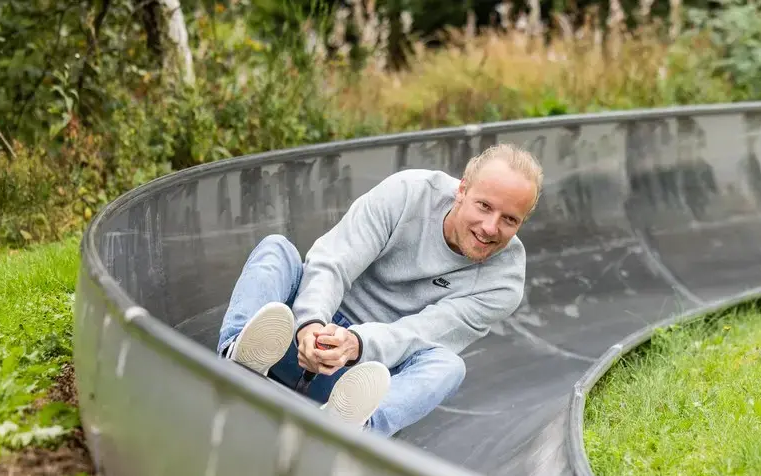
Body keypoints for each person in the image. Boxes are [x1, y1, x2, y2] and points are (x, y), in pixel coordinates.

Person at [215, 143, 543, 437]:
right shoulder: (408, 193)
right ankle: (237, 354)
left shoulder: (505, 280)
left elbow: (424, 333)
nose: (490, 228)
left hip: (361, 379)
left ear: (521, 223)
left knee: (449, 365)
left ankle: (357, 427)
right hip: (299, 337)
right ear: (462, 190)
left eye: (509, 220)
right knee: (277, 250)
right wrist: (311, 323)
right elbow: (335, 261)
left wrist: (356, 345)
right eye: (484, 206)